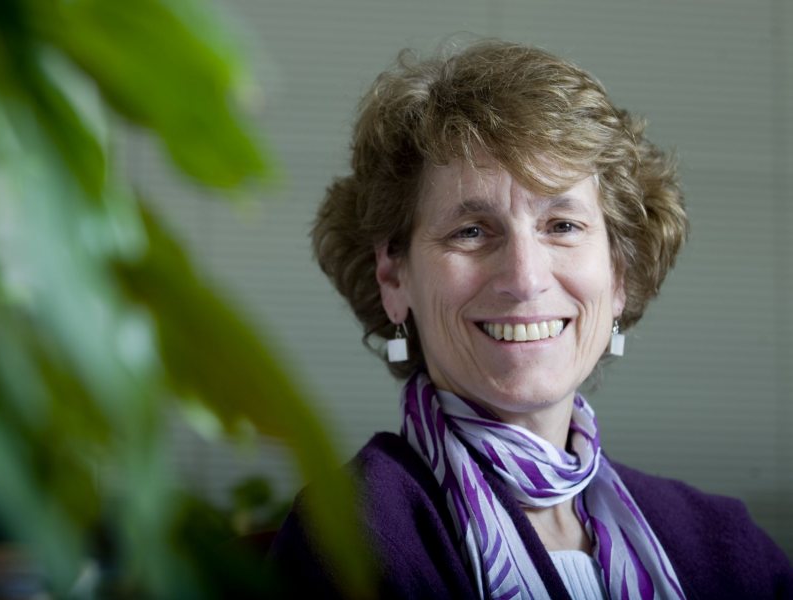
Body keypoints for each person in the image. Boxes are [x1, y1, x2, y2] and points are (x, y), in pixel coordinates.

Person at [269, 39, 793, 599]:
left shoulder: (730, 549)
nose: (524, 278)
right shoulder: (351, 539)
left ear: (620, 273)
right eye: (471, 231)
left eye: (562, 225)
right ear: (394, 278)